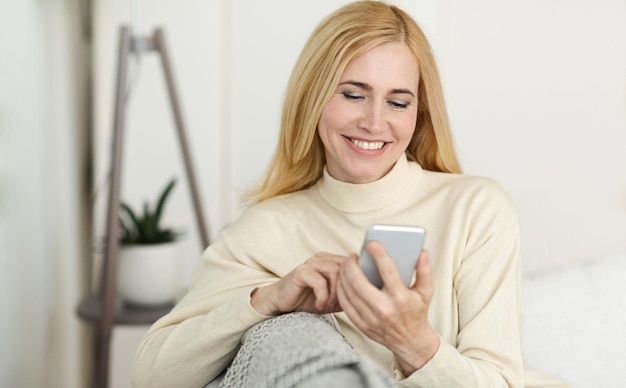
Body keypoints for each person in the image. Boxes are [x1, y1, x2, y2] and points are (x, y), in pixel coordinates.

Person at [133, 1, 569, 387]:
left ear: (418, 115)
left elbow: (500, 381)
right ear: (312, 99)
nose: (375, 123)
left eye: (398, 102)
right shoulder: (264, 230)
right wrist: (263, 302)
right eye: (353, 94)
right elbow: (153, 376)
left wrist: (414, 342)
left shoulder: (475, 209)